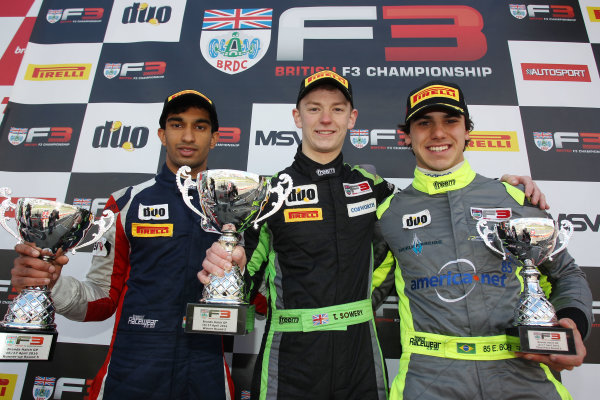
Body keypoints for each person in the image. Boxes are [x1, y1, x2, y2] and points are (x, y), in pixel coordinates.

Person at [199, 71, 549, 400]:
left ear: (351, 119)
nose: (325, 119)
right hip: (290, 359)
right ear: (297, 116)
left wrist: (504, 191)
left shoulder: (376, 191)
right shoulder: (269, 193)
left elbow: (434, 210)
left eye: (337, 109)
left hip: (360, 358)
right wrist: (232, 269)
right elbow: (242, 292)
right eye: (314, 109)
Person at [10, 90, 238, 400]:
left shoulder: (234, 207)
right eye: (176, 124)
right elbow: (101, 298)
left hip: (205, 370)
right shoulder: (125, 203)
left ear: (214, 138)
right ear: (161, 134)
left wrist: (247, 283)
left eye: (199, 126)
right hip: (132, 368)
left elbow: (257, 302)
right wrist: (51, 285)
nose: (187, 136)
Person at [374, 80, 593, 399]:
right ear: (407, 136)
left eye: (450, 121)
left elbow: (567, 274)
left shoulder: (515, 198)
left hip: (524, 372)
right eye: (424, 123)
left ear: (468, 132)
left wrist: (572, 324)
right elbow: (362, 295)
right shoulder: (388, 215)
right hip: (429, 378)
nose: (438, 133)